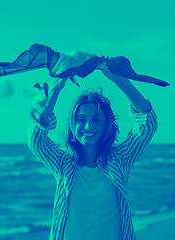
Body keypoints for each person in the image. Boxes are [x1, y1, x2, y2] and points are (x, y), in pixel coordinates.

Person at [28, 71, 158, 240]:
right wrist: (56, 90)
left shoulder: (121, 158)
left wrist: (121, 81)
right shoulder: (63, 163)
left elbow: (148, 123)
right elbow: (36, 140)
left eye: (96, 119)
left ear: (106, 125)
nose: (88, 126)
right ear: (73, 125)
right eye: (81, 119)